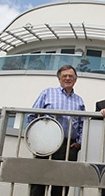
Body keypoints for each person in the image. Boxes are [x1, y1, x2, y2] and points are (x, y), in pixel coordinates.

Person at [28, 65, 86, 196]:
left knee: (61, 185)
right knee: (39, 182)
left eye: (71, 76)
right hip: (45, 143)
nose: (67, 78)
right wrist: (34, 139)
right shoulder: (47, 93)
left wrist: (79, 143)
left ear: (75, 80)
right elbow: (32, 116)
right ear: (59, 79)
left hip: (68, 146)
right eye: (64, 76)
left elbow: (83, 124)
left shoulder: (79, 100)